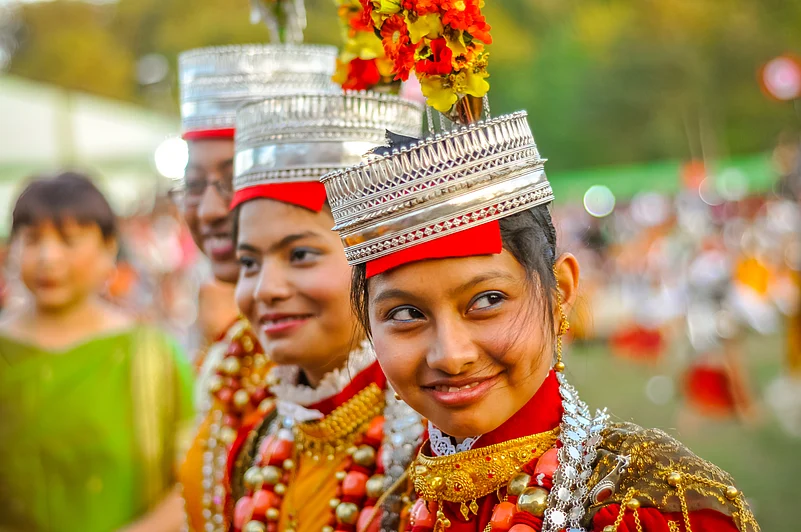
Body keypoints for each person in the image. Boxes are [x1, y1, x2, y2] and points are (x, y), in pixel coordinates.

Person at [322, 114, 760, 531]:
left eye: (487, 300)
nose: (451, 355)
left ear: (560, 293)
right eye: (405, 314)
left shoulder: (659, 508)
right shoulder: (381, 497)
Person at [226, 91, 425, 532]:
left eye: (299, 254)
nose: (265, 289)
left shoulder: (433, 439)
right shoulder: (262, 440)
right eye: (248, 263)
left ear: (378, 260)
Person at [175, 42, 341, 531]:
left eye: (235, 178)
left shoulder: (389, 386)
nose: (208, 210)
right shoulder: (234, 350)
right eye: (193, 183)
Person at [0, 172, 194, 532]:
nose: (48, 257)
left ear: (109, 247)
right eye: (32, 239)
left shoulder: (151, 355)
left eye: (68, 240)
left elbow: (193, 479)